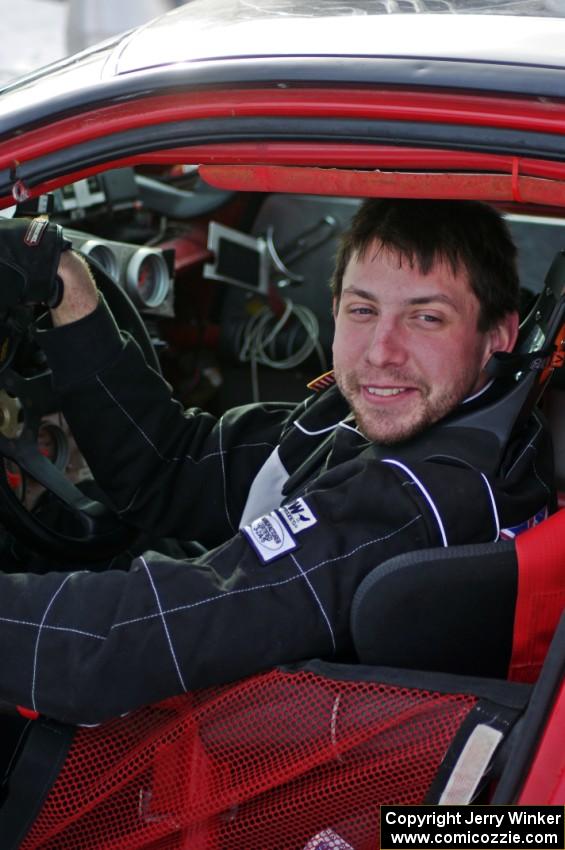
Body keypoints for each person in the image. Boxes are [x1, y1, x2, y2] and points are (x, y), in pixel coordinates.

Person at [0, 199, 555, 725]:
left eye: (427, 318)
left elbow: (141, 636)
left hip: (267, 780)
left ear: (496, 337)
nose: (382, 351)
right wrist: (70, 290)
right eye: (363, 310)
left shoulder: (412, 502)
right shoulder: (409, 412)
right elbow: (176, 465)